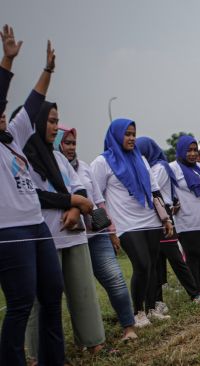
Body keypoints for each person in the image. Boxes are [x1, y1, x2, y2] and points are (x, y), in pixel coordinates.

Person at [0, 28, 65, 365]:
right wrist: (8, 60)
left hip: (37, 226)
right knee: (21, 304)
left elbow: (33, 103)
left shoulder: (13, 137)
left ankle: (53, 360)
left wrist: (48, 69)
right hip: (9, 232)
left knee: (52, 296)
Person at [23, 99, 109, 356]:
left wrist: (74, 209)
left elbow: (78, 186)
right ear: (36, 122)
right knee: (41, 300)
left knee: (83, 293)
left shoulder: (59, 157)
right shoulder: (23, 158)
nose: (54, 126)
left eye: (56, 121)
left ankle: (94, 343)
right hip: (44, 235)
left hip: (74, 235)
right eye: (50, 121)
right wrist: (73, 201)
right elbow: (32, 194)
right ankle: (39, 355)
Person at [57, 126, 138, 341]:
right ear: (57, 143)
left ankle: (129, 326)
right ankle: (84, 339)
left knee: (115, 280)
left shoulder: (84, 168)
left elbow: (99, 200)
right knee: (77, 292)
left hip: (96, 236)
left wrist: (111, 231)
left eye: (74, 143)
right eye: (66, 142)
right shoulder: (49, 169)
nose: (71, 147)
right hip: (68, 239)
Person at [91, 119, 174, 327]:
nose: (131, 138)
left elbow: (155, 192)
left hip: (150, 219)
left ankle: (151, 308)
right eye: (127, 134)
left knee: (153, 266)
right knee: (142, 265)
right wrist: (108, 228)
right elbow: (96, 196)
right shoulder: (102, 162)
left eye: (133, 134)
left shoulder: (141, 159)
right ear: (116, 135)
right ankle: (137, 313)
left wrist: (165, 218)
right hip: (126, 223)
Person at [135, 136, 200, 304]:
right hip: (152, 215)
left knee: (175, 257)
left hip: (162, 215)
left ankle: (195, 293)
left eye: (140, 152)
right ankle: (156, 302)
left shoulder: (159, 167)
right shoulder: (153, 167)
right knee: (154, 262)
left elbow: (150, 190)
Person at [169, 135, 200, 294]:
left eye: (194, 150)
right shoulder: (173, 168)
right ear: (181, 151)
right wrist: (172, 204)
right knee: (193, 255)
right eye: (188, 150)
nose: (192, 154)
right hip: (188, 220)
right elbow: (165, 190)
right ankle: (196, 289)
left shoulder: (199, 167)